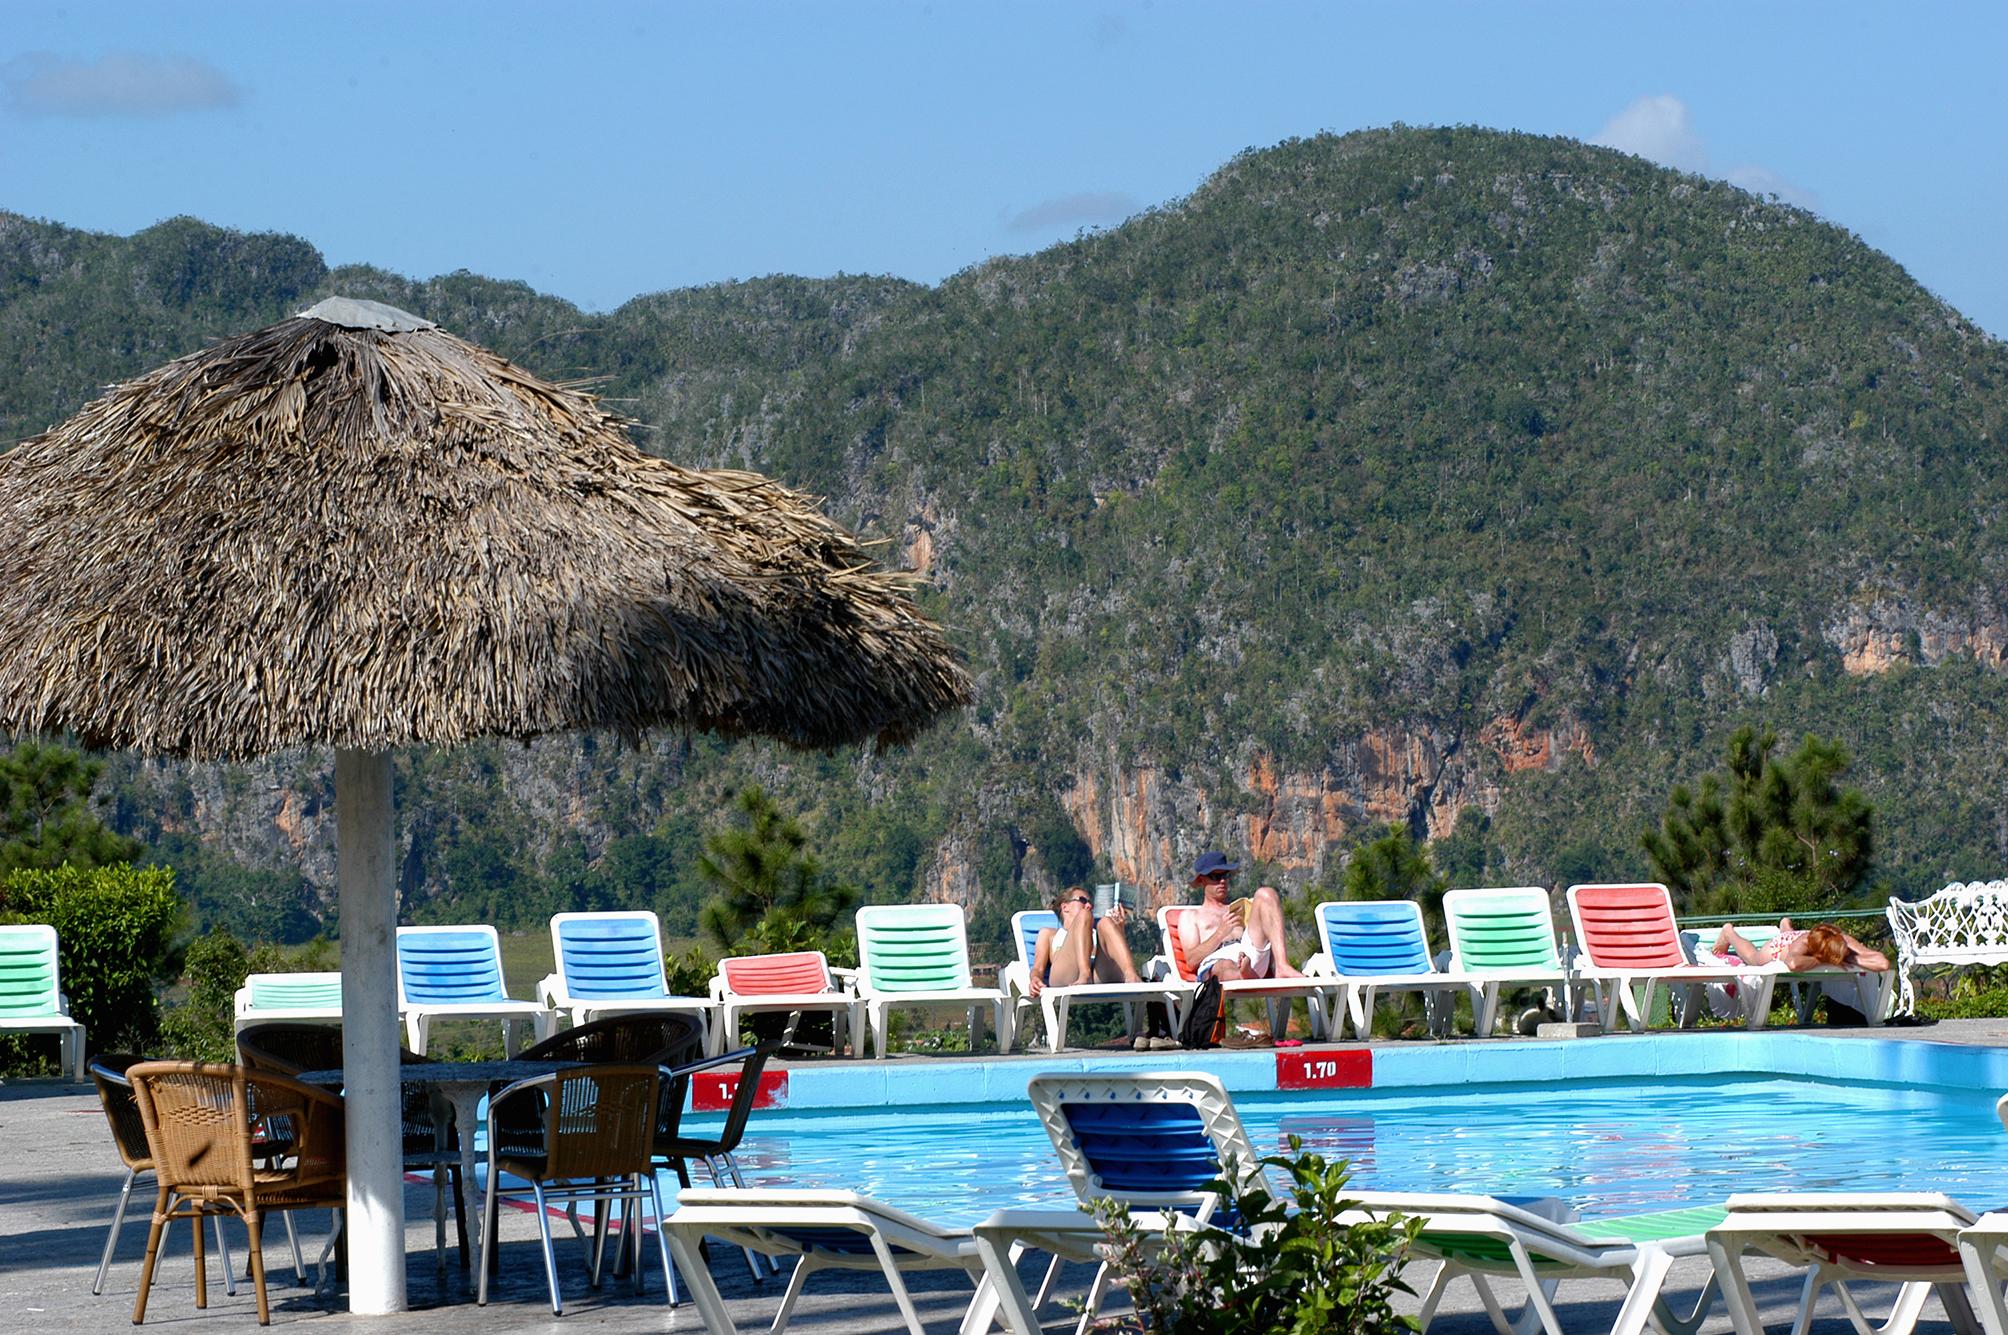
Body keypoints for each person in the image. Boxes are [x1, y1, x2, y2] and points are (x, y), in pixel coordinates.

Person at [1029, 885, 1173, 1049]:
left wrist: (1120, 929)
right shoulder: (1049, 934)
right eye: (1082, 900)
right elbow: (1038, 968)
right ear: (1065, 907)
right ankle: (1084, 973)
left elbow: (1113, 958)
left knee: (1105, 922)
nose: (1089, 905)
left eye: (1090, 902)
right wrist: (1035, 979)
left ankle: (1131, 975)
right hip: (1065, 976)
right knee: (1084, 916)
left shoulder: (1095, 931)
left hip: (1096, 976)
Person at [1178, 850, 1303, 983]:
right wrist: (1220, 933)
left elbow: (1268, 933)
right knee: (1225, 965)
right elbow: (1191, 961)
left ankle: (1281, 966)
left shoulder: (1238, 908)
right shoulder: (1191, 916)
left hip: (1248, 954)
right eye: (1215, 877)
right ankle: (1242, 974)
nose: (1222, 881)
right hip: (1217, 963)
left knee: (1266, 894)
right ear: (1202, 880)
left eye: (1225, 876)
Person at [1712, 918, 1892, 973]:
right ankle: (1729, 933)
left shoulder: (1842, 940)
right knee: (1754, 959)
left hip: (1811, 938)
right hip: (1783, 947)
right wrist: (1824, 960)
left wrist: (1852, 956)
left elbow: (1883, 963)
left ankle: (1786, 927)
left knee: (1791, 935)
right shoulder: (1804, 943)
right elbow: (1793, 964)